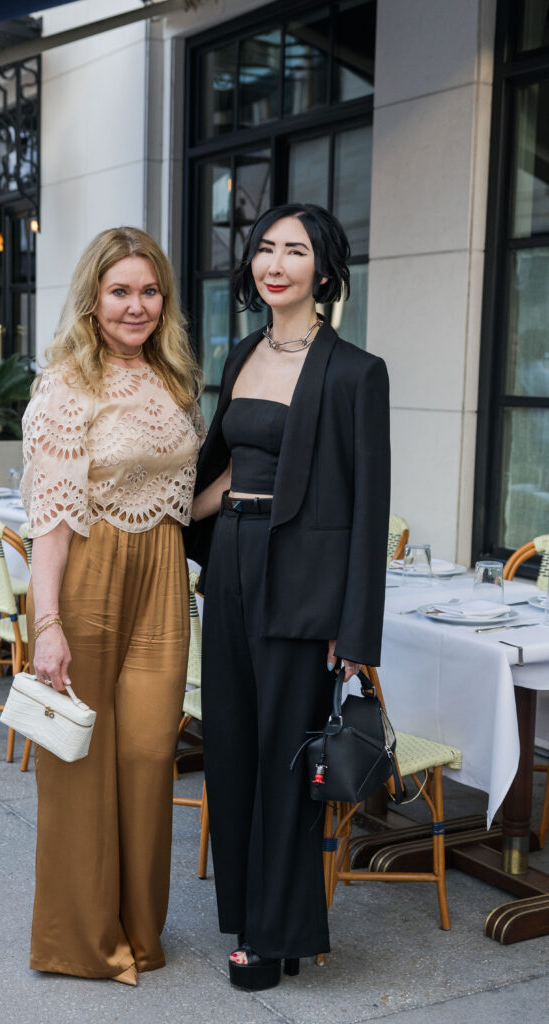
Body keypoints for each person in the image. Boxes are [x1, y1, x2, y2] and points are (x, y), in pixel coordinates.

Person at [187, 202, 390, 990]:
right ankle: (250, 912)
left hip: (303, 584)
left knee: (284, 759)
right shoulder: (241, 352)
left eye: (295, 251)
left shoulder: (355, 372)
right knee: (232, 749)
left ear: (325, 269)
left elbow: (368, 510)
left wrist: (354, 630)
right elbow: (226, 472)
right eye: (264, 248)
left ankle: (273, 938)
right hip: (231, 564)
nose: (274, 264)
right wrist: (158, 515)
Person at [20, 226, 204, 985]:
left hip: (161, 573)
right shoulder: (68, 384)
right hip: (89, 573)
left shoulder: (173, 379)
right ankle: (81, 942)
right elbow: (51, 521)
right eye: (120, 291)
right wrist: (47, 625)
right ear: (93, 300)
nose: (136, 306)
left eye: (149, 291)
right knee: (79, 759)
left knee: (150, 753)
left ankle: (139, 930)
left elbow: (182, 497)